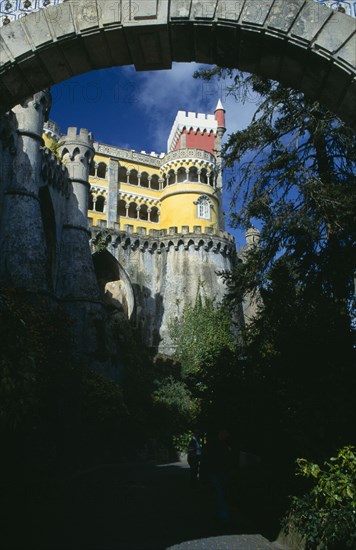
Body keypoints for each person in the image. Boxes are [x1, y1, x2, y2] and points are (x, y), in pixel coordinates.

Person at [205, 428, 233, 525]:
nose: (226, 435)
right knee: (220, 494)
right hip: (217, 472)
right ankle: (224, 518)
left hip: (220, 472)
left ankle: (219, 515)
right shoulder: (219, 445)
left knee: (220, 494)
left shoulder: (223, 445)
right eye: (224, 434)